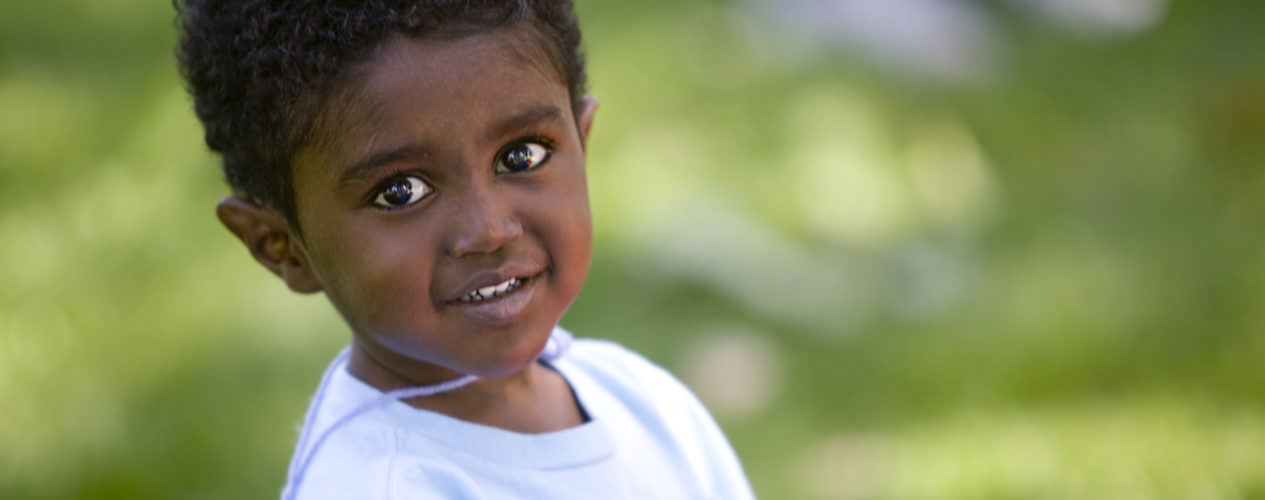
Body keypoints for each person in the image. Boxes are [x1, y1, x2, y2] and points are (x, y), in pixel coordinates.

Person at [174, 1, 755, 498]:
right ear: (283, 248)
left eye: (522, 156)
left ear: (583, 141)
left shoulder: (645, 403)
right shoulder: (379, 486)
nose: (488, 230)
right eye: (401, 192)